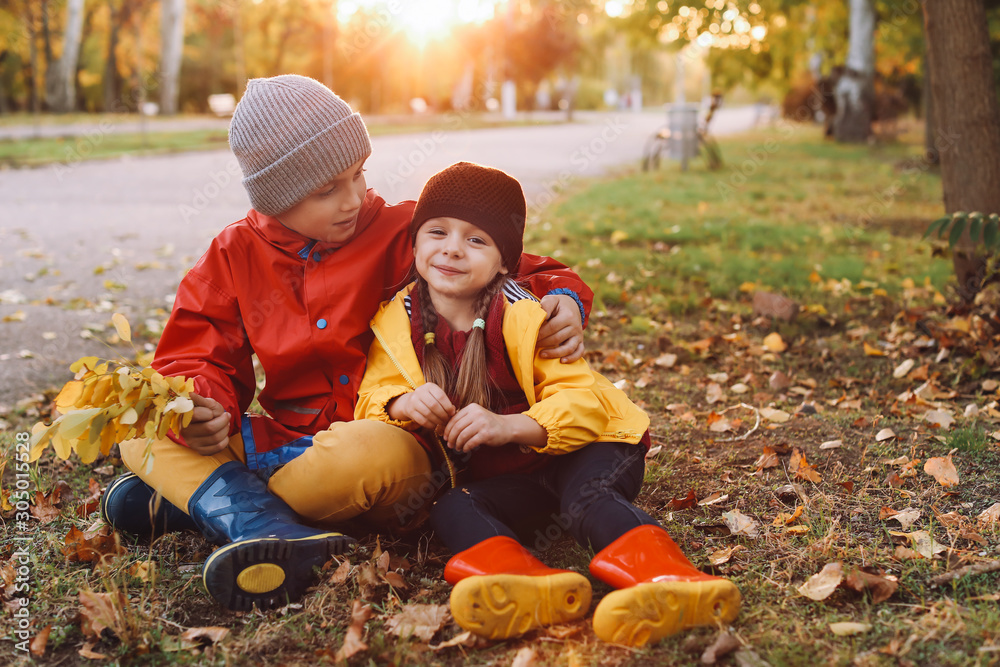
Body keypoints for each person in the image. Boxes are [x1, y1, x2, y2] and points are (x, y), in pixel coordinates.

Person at [98, 75, 593, 612]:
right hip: (291, 440)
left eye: (358, 175)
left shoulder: (404, 230)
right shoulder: (234, 253)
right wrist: (200, 402)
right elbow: (195, 352)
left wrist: (564, 295)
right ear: (277, 196)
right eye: (326, 190)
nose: (353, 199)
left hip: (394, 441)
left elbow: (506, 263)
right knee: (139, 422)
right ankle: (260, 522)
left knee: (366, 452)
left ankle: (203, 501)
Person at [356, 162, 741, 647]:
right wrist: (404, 401)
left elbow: (586, 406)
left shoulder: (523, 314)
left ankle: (672, 582)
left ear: (502, 263)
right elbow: (369, 397)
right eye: (437, 232)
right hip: (518, 477)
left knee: (587, 502)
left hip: (593, 448)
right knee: (454, 505)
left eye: (476, 240)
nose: (452, 247)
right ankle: (523, 582)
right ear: (415, 246)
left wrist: (509, 427)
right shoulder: (395, 323)